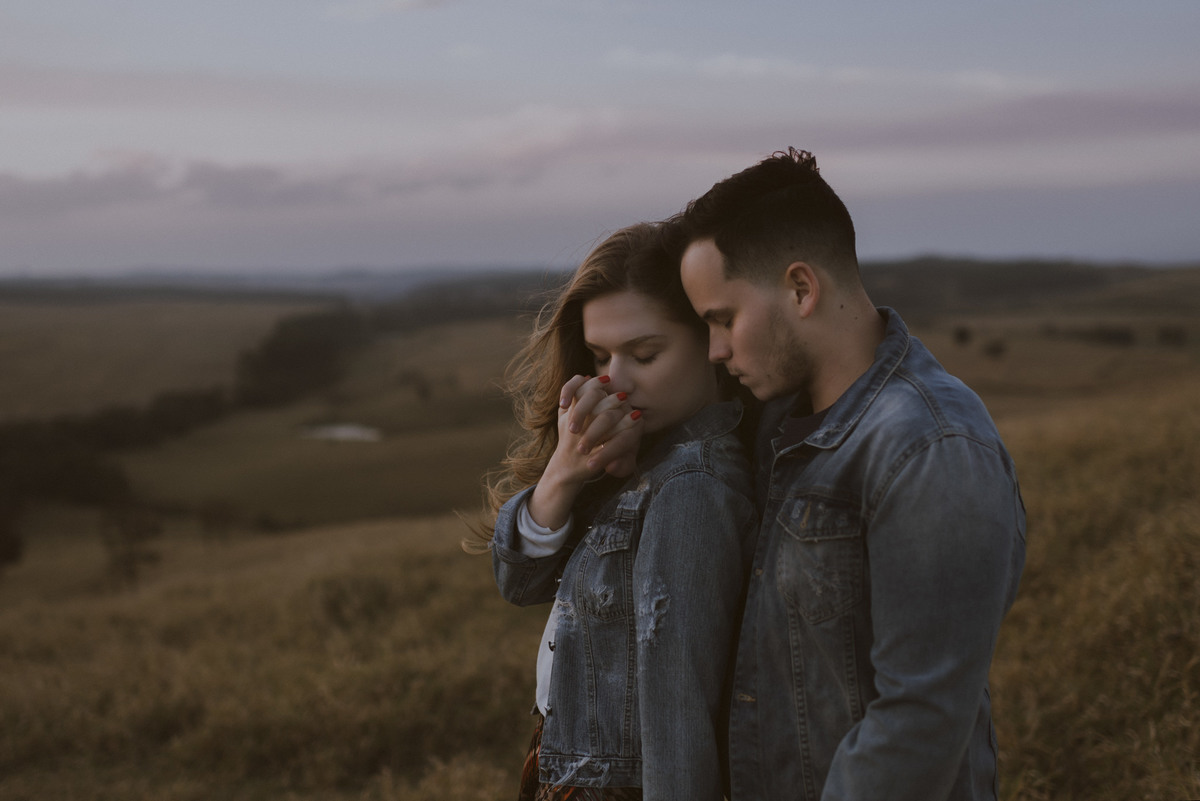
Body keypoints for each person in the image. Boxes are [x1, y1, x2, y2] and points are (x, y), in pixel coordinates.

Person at [673, 148, 1027, 800]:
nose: (716, 350)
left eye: (723, 318)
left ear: (801, 289)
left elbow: (918, 721)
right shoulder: (775, 424)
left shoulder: (930, 447)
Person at [482, 221, 758, 801]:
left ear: (711, 340)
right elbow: (518, 581)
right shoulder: (635, 456)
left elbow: (679, 706)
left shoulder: (691, 485)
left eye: (645, 354)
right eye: (600, 355)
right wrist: (563, 473)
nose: (617, 382)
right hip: (568, 762)